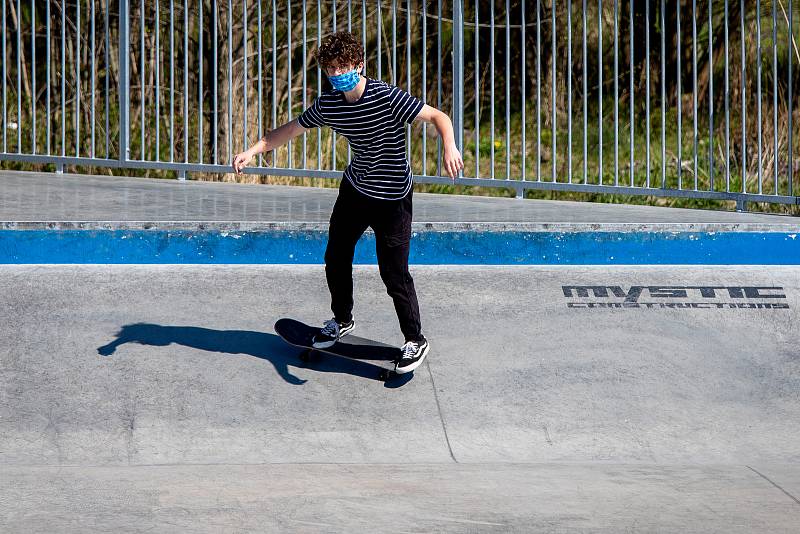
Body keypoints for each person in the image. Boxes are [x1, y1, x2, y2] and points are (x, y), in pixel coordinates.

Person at [233, 30, 463, 374]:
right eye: (331, 70)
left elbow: (438, 117)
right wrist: (253, 150)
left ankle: (415, 339)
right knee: (336, 256)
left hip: (393, 199)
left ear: (359, 65)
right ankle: (341, 319)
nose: (338, 75)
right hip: (355, 191)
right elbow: (290, 129)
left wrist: (450, 145)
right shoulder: (329, 104)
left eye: (343, 67)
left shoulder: (387, 97)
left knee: (394, 273)